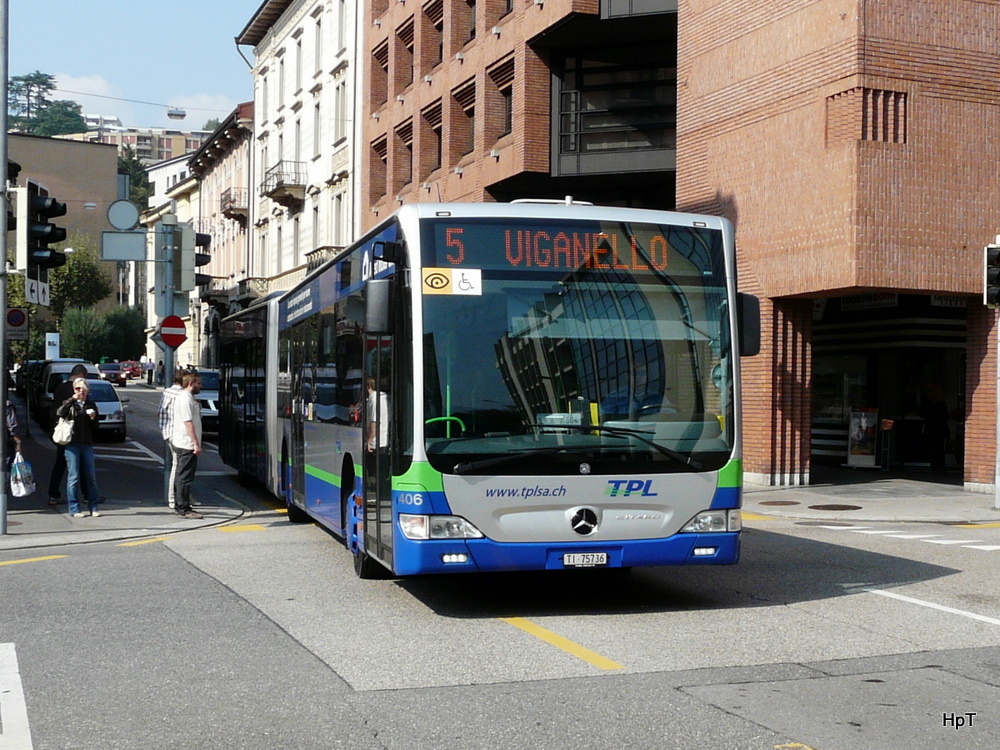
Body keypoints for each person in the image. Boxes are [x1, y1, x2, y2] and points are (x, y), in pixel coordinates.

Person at [56, 377, 101, 518]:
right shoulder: (70, 404)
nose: (80, 392)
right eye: (77, 389)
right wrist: (72, 400)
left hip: (86, 444)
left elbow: (96, 427)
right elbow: (59, 412)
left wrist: (93, 418)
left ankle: (93, 506)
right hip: (72, 444)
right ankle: (74, 508)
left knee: (90, 476)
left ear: (87, 391)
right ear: (74, 390)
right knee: (73, 476)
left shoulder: (91, 405)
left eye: (83, 389)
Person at [48, 363, 89, 506]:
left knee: (60, 464)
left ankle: (53, 494)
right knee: (80, 466)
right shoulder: (75, 390)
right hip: (74, 432)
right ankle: (86, 495)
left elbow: (56, 410)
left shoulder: (60, 387)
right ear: (81, 376)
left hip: (62, 431)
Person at [171, 371, 204, 519]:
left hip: (183, 441)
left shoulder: (187, 398)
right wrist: (195, 444)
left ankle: (182, 505)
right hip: (186, 443)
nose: (200, 386)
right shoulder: (185, 399)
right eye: (198, 383)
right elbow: (188, 422)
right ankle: (183, 508)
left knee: (181, 474)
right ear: (191, 383)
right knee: (185, 476)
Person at [158, 369, 186, 509]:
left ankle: (182, 496)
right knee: (179, 466)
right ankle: (173, 498)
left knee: (178, 465)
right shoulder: (181, 394)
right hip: (178, 433)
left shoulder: (167, 391)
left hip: (167, 432)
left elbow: (160, 411)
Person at [5, 398, 22, 472]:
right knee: (8, 462)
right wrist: (18, 441)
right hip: (6, 439)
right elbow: (12, 425)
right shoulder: (7, 405)